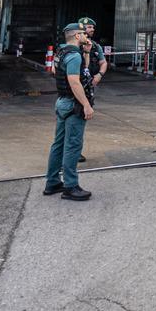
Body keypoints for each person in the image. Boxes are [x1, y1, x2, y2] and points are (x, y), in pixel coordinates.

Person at [44, 22, 94, 201]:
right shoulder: (74, 56)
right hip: (74, 104)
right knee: (73, 145)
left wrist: (87, 53)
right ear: (77, 36)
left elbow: (81, 72)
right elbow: (74, 81)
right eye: (83, 33)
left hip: (62, 102)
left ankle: (52, 182)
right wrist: (86, 104)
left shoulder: (61, 52)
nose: (87, 35)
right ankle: (70, 186)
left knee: (58, 143)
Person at [76, 16, 108, 163]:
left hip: (88, 87)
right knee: (75, 120)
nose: (92, 30)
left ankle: (76, 151)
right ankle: (72, 153)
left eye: (93, 28)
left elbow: (103, 63)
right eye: (89, 28)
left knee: (81, 120)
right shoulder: (72, 47)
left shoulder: (95, 47)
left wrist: (99, 75)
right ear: (81, 29)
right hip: (75, 89)